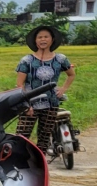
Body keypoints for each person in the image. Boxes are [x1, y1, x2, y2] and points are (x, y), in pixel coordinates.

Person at [15, 25, 74, 154]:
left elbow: (71, 74)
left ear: (52, 40)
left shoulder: (60, 59)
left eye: (46, 37)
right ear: (35, 41)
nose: (43, 40)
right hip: (30, 104)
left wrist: (63, 89)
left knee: (44, 136)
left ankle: (40, 166)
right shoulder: (27, 61)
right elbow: (19, 84)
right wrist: (26, 104)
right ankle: (20, 163)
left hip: (51, 103)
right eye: (39, 37)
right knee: (22, 136)